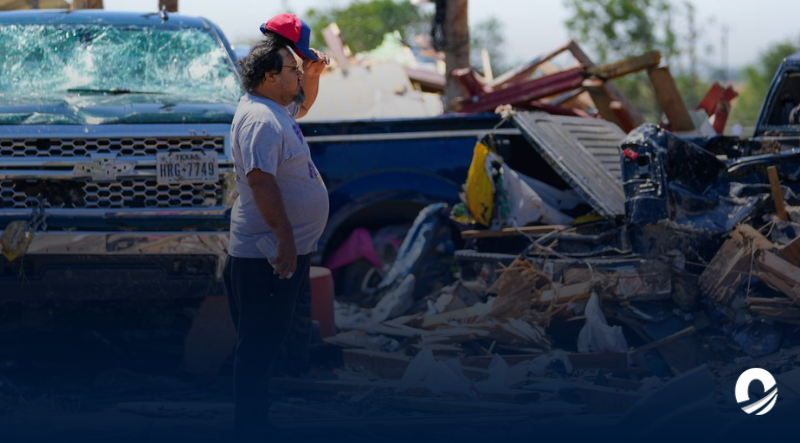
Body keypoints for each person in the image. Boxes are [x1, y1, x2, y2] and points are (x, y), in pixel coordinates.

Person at [223, 13, 330, 439]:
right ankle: (248, 425)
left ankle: (255, 418)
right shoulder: (260, 120)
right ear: (270, 76)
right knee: (259, 341)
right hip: (264, 253)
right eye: (293, 69)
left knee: (267, 338)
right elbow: (261, 182)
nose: (299, 74)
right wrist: (285, 239)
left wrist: (314, 76)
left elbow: (301, 107)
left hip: (279, 250)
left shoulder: (273, 109)